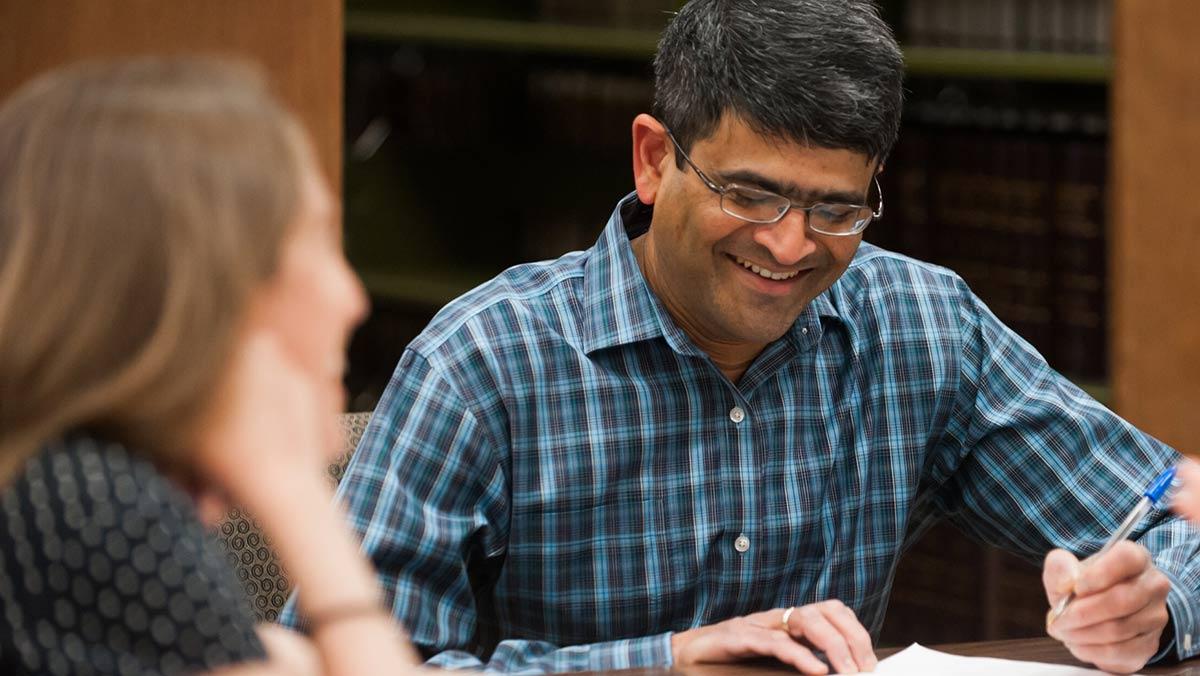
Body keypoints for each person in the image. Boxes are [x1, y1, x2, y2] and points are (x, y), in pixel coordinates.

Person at [280, 1, 1199, 673]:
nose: (790, 246)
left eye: (836, 209)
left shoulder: (920, 324)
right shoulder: (482, 361)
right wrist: (661, 663)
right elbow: (330, 667)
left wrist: (1152, 609)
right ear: (652, 159)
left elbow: (1172, 511)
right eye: (750, 194)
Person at [0, 58, 420, 675]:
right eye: (317, 242)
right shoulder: (96, 512)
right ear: (200, 293)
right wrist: (289, 484)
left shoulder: (61, 489)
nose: (351, 297)